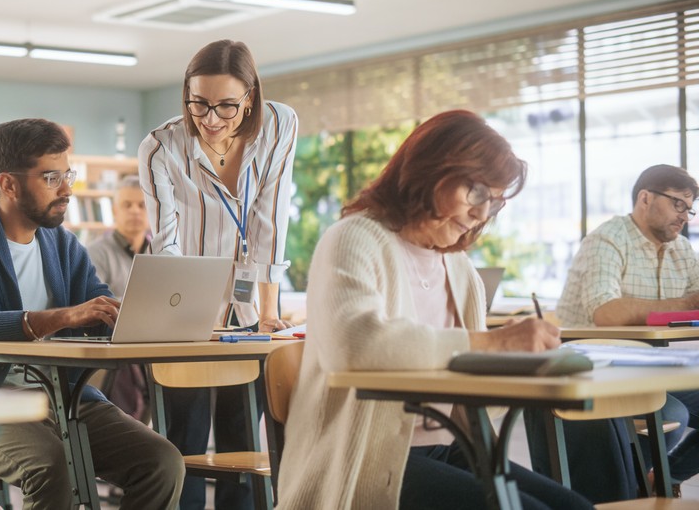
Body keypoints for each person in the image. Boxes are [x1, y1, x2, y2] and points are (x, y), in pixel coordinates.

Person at [276, 110, 591, 510]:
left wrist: (519, 360)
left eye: (494, 202)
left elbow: (478, 401)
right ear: (431, 170)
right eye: (477, 192)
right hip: (362, 461)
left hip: (452, 447)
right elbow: (356, 346)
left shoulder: (459, 268)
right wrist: (492, 344)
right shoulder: (353, 238)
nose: (482, 214)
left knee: (576, 508)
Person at [0, 118, 184, 510]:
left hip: (65, 399)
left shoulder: (63, 245)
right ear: (8, 184)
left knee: (162, 462)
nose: (66, 189)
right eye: (51, 178)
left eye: (68, 175)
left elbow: (97, 305)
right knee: (52, 466)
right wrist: (61, 317)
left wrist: (145, 315)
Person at [138, 38, 298, 509]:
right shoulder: (161, 148)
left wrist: (267, 314)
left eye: (227, 105)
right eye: (199, 104)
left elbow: (270, 220)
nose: (211, 119)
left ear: (250, 97)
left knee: (243, 444)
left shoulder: (279, 125)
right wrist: (188, 319)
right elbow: (166, 244)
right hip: (184, 320)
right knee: (182, 445)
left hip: (248, 317)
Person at [545, 164, 699, 500]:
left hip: (647, 365)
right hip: (592, 366)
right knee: (672, 412)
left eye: (689, 209)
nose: (685, 216)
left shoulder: (682, 250)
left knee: (673, 407)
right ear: (645, 198)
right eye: (678, 204)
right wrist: (688, 302)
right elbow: (607, 312)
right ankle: (619, 492)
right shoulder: (608, 239)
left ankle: (660, 478)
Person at [86, 175, 151, 420]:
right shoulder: (95, 253)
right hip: (117, 352)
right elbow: (96, 306)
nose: (135, 211)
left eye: (142, 205)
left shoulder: (161, 252)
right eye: (127, 205)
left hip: (155, 346)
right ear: (114, 211)